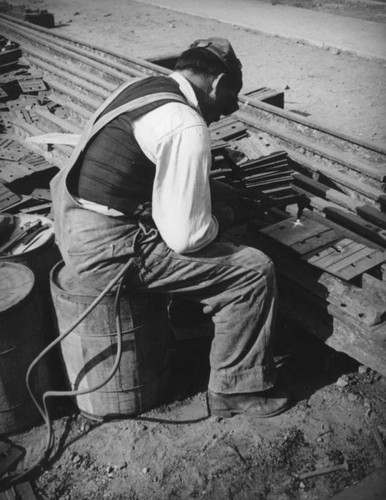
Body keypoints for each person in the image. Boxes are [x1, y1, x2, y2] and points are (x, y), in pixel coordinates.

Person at [50, 37, 290, 418]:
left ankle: (189, 321)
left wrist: (217, 191)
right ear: (218, 81)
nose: (226, 111)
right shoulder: (186, 124)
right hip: (107, 252)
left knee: (202, 226)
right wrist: (229, 215)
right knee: (253, 270)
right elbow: (186, 237)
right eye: (231, 97)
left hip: (70, 219)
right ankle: (235, 389)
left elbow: (147, 167)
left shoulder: (142, 87)